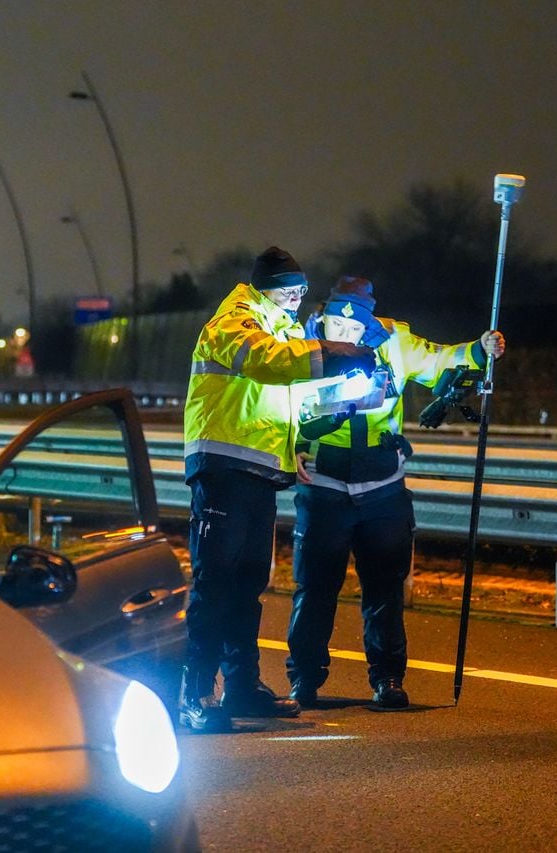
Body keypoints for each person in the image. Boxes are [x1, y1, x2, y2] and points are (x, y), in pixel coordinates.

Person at [285, 276, 505, 711]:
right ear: (323, 315)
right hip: (323, 486)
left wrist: (481, 349)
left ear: (367, 325)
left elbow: (443, 360)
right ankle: (304, 679)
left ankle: (387, 679)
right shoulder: (298, 344)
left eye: (352, 330)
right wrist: (288, 447)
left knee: (385, 591)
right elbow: (274, 402)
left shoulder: (394, 341)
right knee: (314, 589)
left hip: (382, 488)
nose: (342, 335)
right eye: (335, 325)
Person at [180, 247, 376, 732]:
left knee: (247, 585)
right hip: (223, 466)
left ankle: (242, 688)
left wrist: (341, 402)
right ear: (262, 286)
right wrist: (330, 353)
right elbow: (264, 362)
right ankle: (195, 693)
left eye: (302, 289)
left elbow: (291, 394)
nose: (296, 297)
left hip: (260, 471)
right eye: (289, 288)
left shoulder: (283, 329)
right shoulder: (235, 320)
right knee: (215, 583)